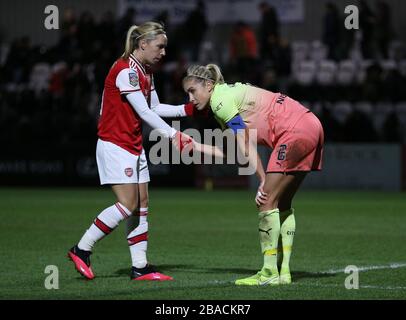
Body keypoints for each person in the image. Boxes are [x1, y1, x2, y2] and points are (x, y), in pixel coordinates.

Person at [68, 21, 195, 281]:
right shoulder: (126, 71)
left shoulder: (145, 72)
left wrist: (187, 110)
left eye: (165, 47)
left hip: (133, 145)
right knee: (127, 205)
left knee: (141, 207)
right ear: (142, 44)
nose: (163, 52)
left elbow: (156, 107)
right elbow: (145, 112)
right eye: (159, 46)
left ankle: (140, 267)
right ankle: (81, 248)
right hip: (115, 144)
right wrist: (173, 135)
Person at [179, 64, 324, 286]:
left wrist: (263, 180)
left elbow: (244, 140)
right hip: (311, 125)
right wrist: (195, 146)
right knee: (282, 203)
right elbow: (232, 151)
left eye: (192, 91)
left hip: (293, 131)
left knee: (265, 202)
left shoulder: (220, 101)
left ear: (208, 85)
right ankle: (283, 272)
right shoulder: (225, 97)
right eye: (187, 93)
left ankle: (268, 273)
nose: (190, 98)